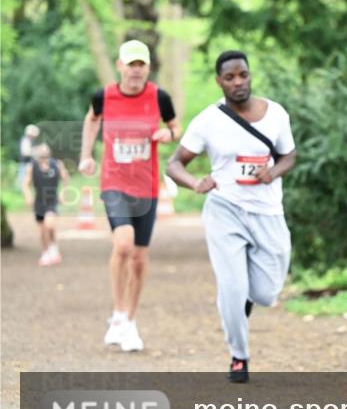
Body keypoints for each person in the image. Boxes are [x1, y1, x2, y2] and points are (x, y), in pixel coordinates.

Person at [167, 51, 296, 383]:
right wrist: (196, 182)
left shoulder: (276, 115)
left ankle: (241, 304)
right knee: (233, 287)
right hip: (225, 209)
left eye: (242, 75)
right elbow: (174, 163)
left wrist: (273, 171)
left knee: (265, 293)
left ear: (250, 75)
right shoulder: (209, 120)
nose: (238, 82)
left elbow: (289, 155)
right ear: (219, 81)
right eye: (230, 77)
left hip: (268, 212)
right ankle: (239, 356)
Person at [79, 40, 181, 352]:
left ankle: (130, 321)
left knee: (139, 257)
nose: (136, 70)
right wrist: (86, 155)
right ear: (120, 66)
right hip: (114, 181)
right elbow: (91, 120)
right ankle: (119, 314)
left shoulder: (159, 97)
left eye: (141, 64)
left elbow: (176, 126)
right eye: (130, 64)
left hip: (147, 186)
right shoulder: (104, 96)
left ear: (148, 68)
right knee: (122, 244)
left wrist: (169, 134)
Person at [21, 143, 70, 266]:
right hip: (39, 201)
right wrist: (28, 196)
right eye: (41, 156)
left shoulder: (57, 165)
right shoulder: (32, 167)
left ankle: (51, 249)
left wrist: (63, 194)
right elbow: (25, 184)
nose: (44, 158)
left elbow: (66, 180)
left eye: (46, 155)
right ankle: (47, 251)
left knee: (49, 225)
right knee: (42, 230)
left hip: (52, 200)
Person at [16, 124, 40, 189]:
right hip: (25, 162)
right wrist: (35, 152)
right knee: (22, 178)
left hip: (29, 162)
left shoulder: (30, 141)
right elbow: (25, 152)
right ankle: (20, 190)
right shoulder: (25, 140)